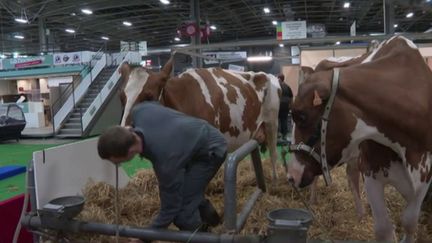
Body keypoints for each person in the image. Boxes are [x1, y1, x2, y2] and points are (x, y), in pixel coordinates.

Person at [97, 101, 227, 232]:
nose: (118, 165)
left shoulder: (165, 162)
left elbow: (170, 209)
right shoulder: (140, 111)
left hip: (210, 150)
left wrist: (145, 237)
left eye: (118, 161)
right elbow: (157, 107)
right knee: (189, 191)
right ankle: (216, 223)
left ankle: (206, 237)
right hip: (191, 139)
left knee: (182, 214)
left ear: (130, 152)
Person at [277, 74, 293, 140]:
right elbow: (291, 97)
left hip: (278, 106)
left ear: (279, 79)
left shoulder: (277, 86)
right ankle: (284, 135)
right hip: (286, 107)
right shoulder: (287, 86)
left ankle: (278, 135)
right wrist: (290, 106)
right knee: (284, 120)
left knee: (277, 120)